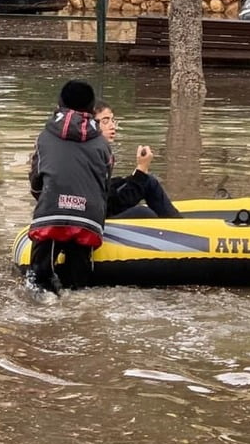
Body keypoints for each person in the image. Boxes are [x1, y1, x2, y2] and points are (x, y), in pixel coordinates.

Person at [27, 80, 113, 295]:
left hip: (51, 216)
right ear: (92, 108)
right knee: (79, 288)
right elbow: (104, 185)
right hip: (88, 219)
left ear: (60, 103)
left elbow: (36, 181)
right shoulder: (103, 144)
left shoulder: (44, 137)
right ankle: (77, 289)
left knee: (38, 279)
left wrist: (48, 200)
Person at [93, 100, 182, 219]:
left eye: (112, 120)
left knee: (148, 181)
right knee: (144, 213)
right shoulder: (91, 155)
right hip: (95, 221)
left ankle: (177, 223)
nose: (112, 126)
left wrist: (135, 175)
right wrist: (141, 168)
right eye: (105, 121)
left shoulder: (99, 151)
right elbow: (112, 205)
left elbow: (106, 192)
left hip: (101, 208)